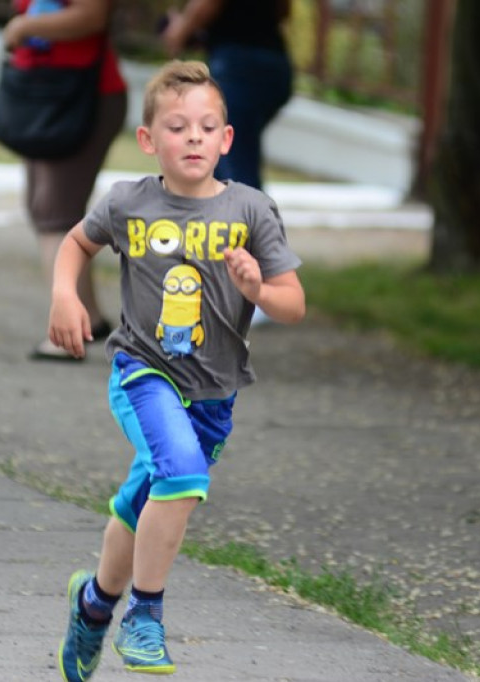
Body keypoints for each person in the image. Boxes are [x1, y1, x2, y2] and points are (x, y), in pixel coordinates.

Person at [49, 60, 305, 680]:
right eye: (177, 126)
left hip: (214, 394)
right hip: (143, 371)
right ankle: (145, 614)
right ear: (148, 140)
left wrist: (257, 287)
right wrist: (64, 293)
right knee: (182, 474)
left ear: (226, 140)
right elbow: (76, 242)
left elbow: (293, 303)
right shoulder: (129, 201)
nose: (193, 136)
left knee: (144, 503)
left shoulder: (251, 210)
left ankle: (94, 606)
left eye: (206, 126)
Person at [1, 0, 127, 361]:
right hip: (43, 94)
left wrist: (23, 29)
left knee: (54, 211)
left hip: (79, 97)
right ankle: (90, 317)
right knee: (45, 209)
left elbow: (91, 16)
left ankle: (66, 332)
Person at [161, 0, 293, 192]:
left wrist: (181, 30)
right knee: (222, 165)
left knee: (233, 174)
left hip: (238, 68)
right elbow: (284, 11)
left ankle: (248, 219)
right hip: (272, 61)